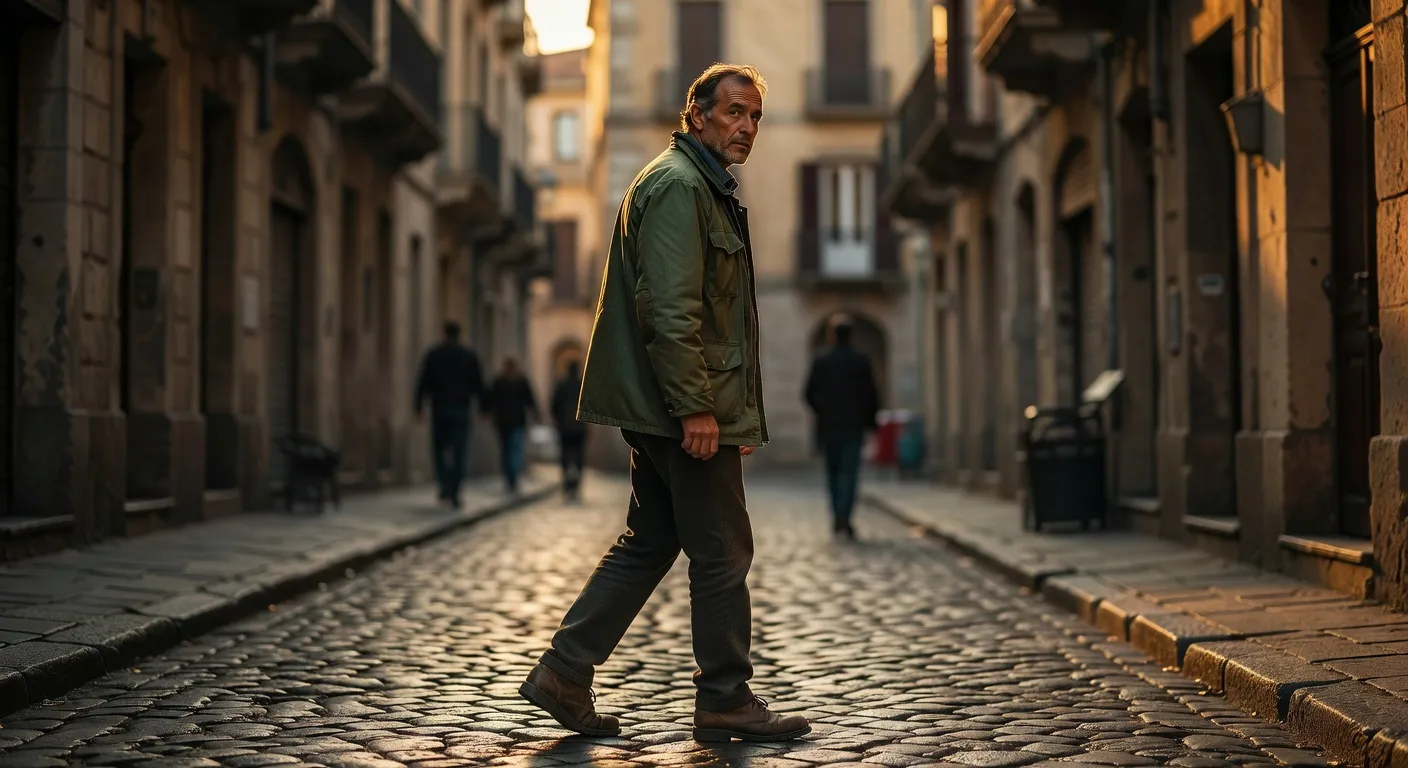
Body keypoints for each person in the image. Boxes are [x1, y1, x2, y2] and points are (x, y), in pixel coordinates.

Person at [518, 63, 810, 744]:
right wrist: (697, 410)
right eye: (733, 112)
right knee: (723, 550)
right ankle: (725, 698)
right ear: (698, 115)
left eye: (755, 116)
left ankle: (563, 672)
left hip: (668, 406)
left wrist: (716, 409)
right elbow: (671, 311)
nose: (746, 126)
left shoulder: (697, 184)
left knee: (650, 541)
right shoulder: (680, 186)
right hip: (680, 410)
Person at [804, 316, 880, 540]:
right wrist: (871, 422)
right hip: (853, 426)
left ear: (832, 335)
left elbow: (808, 393)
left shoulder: (822, 361)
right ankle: (845, 517)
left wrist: (822, 411)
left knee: (833, 473)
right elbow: (871, 395)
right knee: (849, 473)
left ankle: (837, 516)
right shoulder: (860, 361)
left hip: (829, 426)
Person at [413, 321, 485, 509]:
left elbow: (423, 381)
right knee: (460, 452)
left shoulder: (435, 354)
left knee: (439, 450)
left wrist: (418, 407)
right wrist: (483, 408)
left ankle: (445, 485)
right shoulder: (468, 356)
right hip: (461, 408)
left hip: (440, 408)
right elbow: (478, 384)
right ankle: (454, 490)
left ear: (445, 334)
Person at [483, 357, 538, 494]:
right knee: (513, 450)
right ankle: (512, 477)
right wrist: (536, 413)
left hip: (505, 421)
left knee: (508, 450)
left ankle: (510, 477)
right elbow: (530, 400)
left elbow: (490, 399)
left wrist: (486, 411)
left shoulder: (501, 381)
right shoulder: (518, 381)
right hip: (514, 421)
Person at [551, 361, 588, 500]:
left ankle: (567, 482)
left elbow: (553, 406)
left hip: (564, 428)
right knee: (579, 455)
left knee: (565, 455)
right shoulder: (582, 385)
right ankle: (576, 483)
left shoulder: (562, 385)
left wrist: (558, 420)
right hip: (579, 428)